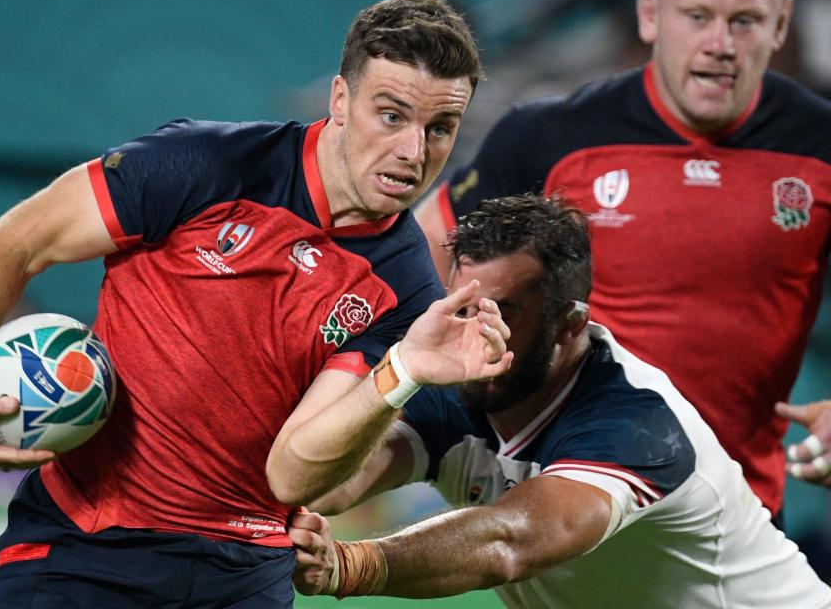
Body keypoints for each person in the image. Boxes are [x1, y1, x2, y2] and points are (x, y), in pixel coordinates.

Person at [0, 0, 514, 608]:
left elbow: (291, 473)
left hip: (242, 573)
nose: (415, 153)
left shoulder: (407, 285)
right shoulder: (205, 164)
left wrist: (405, 372)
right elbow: (16, 243)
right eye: (391, 116)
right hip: (84, 548)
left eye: (440, 128)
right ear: (340, 100)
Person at [415, 0, 831, 522]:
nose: (719, 45)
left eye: (745, 21)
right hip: (570, 496)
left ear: (780, 22)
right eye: (698, 16)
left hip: (737, 518)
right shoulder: (552, 137)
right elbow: (423, 251)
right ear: (650, 14)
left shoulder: (819, 149)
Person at [290, 195, 831, 608]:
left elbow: (512, 542)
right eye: (461, 306)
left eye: (504, 311)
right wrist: (397, 375)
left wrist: (353, 565)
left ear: (571, 324)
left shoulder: (636, 422)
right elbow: (332, 481)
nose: (476, 333)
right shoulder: (463, 387)